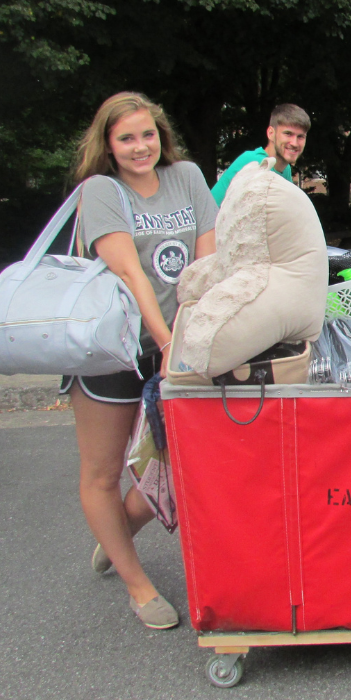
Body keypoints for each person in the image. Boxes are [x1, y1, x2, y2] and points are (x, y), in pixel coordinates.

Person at [60, 92, 218, 629]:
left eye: (147, 134)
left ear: (161, 133)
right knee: (104, 471)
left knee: (173, 466)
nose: (139, 146)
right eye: (125, 138)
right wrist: (167, 340)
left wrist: (191, 336)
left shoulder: (188, 177)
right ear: (107, 144)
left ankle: (116, 535)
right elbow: (130, 273)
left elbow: (207, 263)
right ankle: (137, 584)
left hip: (175, 341)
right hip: (113, 347)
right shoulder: (101, 190)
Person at [211, 103, 310, 206]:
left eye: (300, 137)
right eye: (288, 134)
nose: (294, 143)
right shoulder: (256, 164)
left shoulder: (285, 169)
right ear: (271, 133)